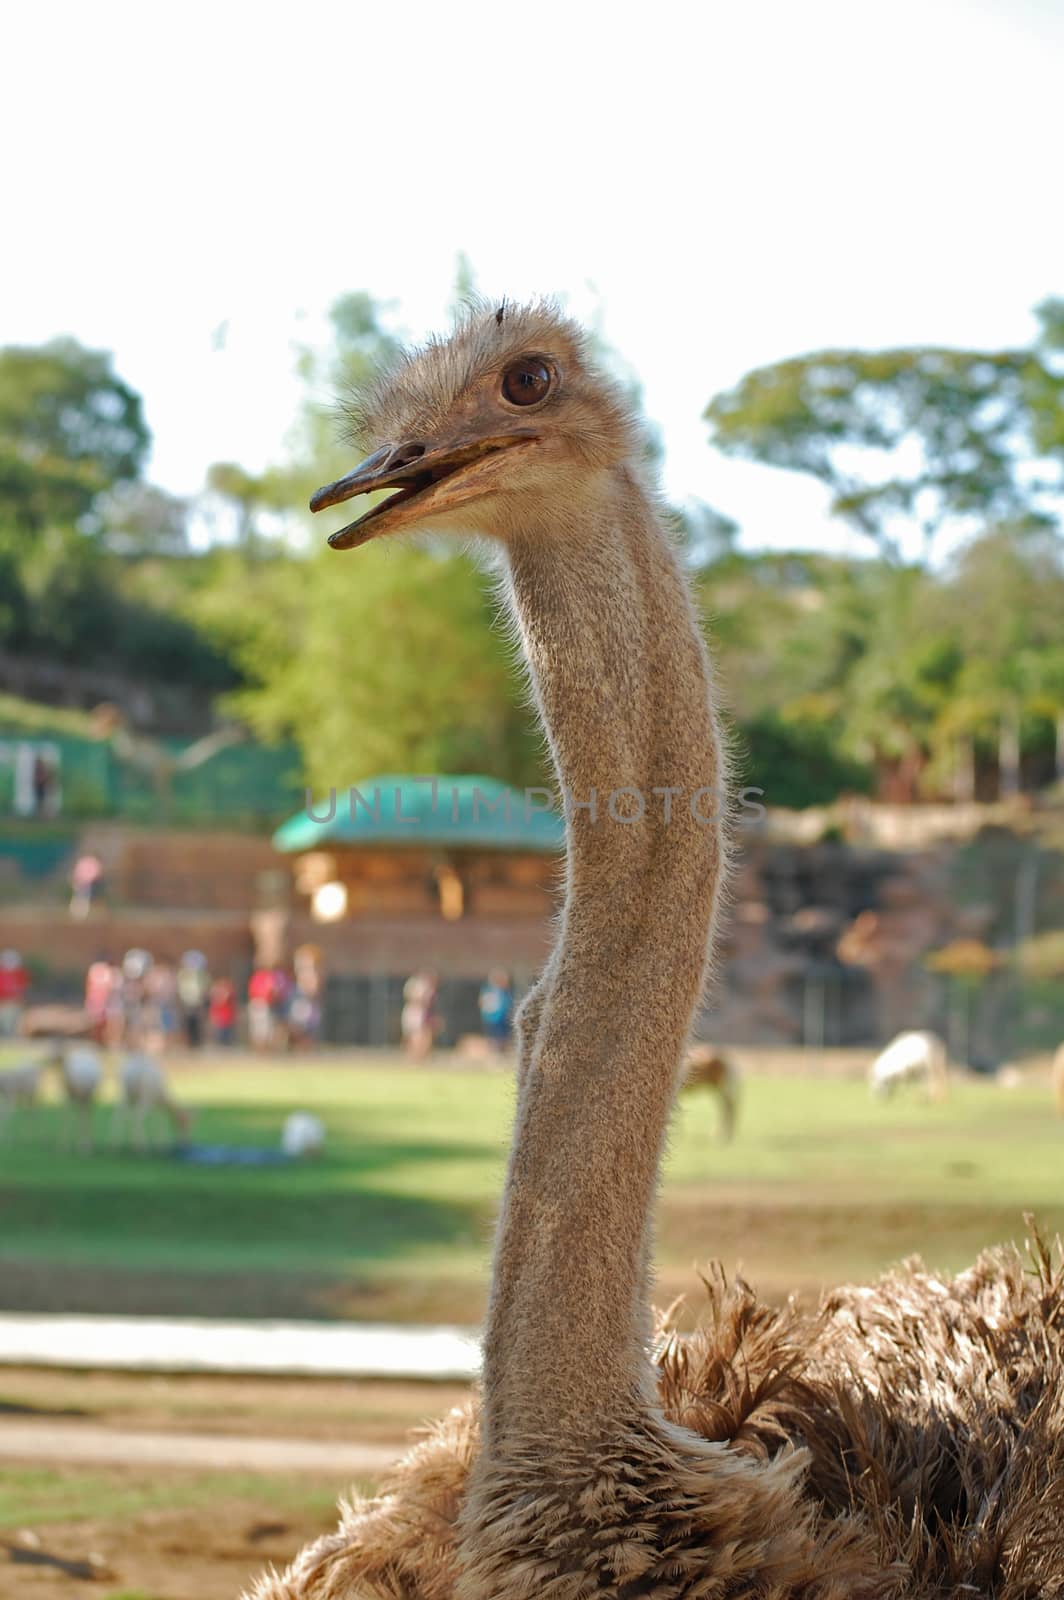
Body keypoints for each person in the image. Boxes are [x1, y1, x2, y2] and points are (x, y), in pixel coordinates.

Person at [401, 971, 438, 1061]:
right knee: (412, 1036)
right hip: (413, 1012)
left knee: (423, 1035)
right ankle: (412, 1056)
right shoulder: (414, 984)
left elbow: (428, 1002)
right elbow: (411, 998)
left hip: (422, 1013)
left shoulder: (428, 987)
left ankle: (421, 1056)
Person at [177, 951, 210, 1050]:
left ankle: (198, 1044)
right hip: (186, 1003)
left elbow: (206, 989)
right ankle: (189, 1045)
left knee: (199, 1025)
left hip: (199, 1003)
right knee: (187, 1024)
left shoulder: (203, 975)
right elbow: (180, 989)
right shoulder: (183, 974)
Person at [478, 969, 513, 1052]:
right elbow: (483, 1003)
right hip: (493, 1018)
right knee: (494, 1036)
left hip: (502, 1017)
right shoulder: (489, 991)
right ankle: (495, 1050)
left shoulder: (504, 992)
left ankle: (501, 1050)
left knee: (502, 1035)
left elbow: (507, 1005)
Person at [0, 950, 29, 1039]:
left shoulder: (20, 974)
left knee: (14, 1026)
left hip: (14, 1004)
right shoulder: (2, 974)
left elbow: (23, 989)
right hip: (4, 1004)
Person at [69, 854, 104, 920]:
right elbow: (95, 873)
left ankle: (79, 913)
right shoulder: (92, 862)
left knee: (81, 897)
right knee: (82, 897)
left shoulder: (84, 861)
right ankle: (80, 913)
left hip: (85, 882)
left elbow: (78, 871)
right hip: (86, 882)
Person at [208, 976, 238, 1046]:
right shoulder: (215, 989)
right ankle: (220, 1044)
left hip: (227, 1015)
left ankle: (227, 1044)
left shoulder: (228, 989)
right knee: (219, 1032)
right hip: (219, 1015)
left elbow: (228, 998)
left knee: (227, 1032)